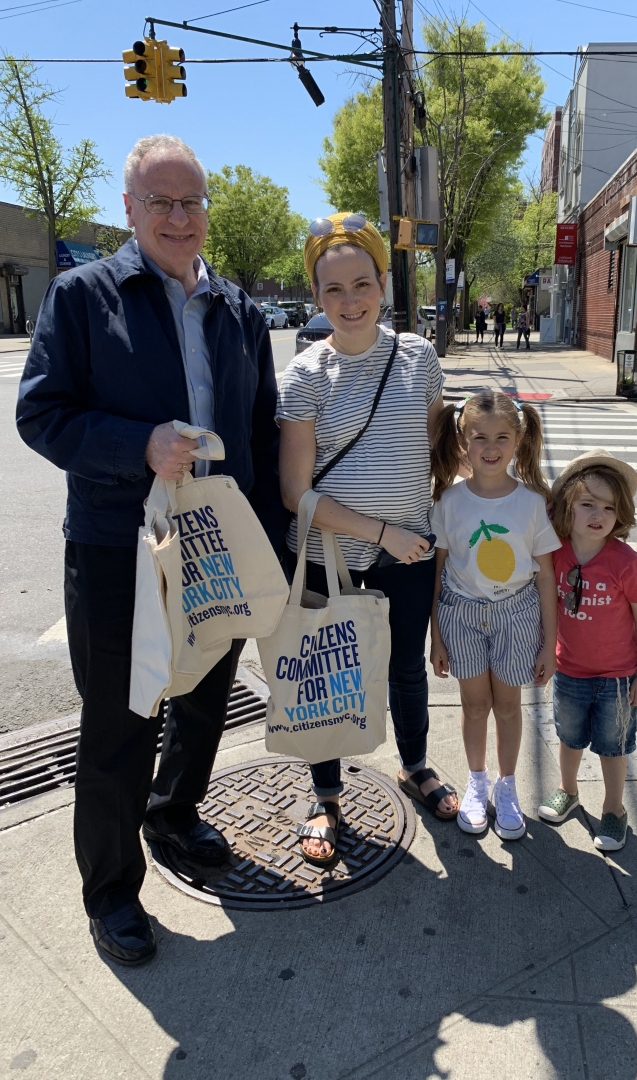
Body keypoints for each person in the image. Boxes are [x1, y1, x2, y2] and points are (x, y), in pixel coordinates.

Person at [16, 135, 286, 966]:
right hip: (117, 549)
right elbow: (42, 415)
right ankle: (111, 891)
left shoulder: (238, 309)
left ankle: (173, 816)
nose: (179, 217)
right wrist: (139, 445)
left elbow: (258, 436)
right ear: (130, 211)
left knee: (205, 700)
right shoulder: (80, 296)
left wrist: (270, 552)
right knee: (120, 722)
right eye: (160, 202)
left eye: (191, 201)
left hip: (216, 546)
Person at [277, 212, 459, 867]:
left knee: (406, 669)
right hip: (332, 555)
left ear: (384, 283)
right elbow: (295, 493)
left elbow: (440, 459)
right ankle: (326, 796)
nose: (349, 301)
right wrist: (380, 530)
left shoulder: (419, 359)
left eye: (362, 284)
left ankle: (415, 766)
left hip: (408, 556)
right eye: (333, 290)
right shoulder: (302, 377)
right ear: (316, 296)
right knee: (327, 676)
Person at [429, 392, 559, 839]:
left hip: (517, 615)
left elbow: (545, 577)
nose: (491, 446)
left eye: (502, 436)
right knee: (473, 704)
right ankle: (476, 780)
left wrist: (548, 642)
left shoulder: (532, 503)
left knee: (507, 705)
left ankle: (507, 787)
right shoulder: (448, 501)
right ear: (462, 440)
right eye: (479, 436)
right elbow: (440, 570)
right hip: (460, 615)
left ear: (519, 439)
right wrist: (437, 636)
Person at [537, 451, 637, 852]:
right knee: (569, 737)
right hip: (570, 670)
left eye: (609, 507)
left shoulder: (625, 561)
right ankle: (567, 790)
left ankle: (613, 808)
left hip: (619, 677)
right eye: (587, 504)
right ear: (567, 507)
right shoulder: (555, 553)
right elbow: (546, 607)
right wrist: (546, 652)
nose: (598, 515)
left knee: (613, 746)